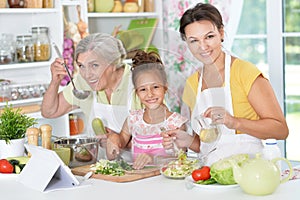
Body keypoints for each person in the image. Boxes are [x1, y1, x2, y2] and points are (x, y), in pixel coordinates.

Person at [161, 3, 289, 165]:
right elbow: (206, 145)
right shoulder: (192, 83)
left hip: (251, 171)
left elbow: (281, 130)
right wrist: (186, 140)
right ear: (186, 42)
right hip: (210, 174)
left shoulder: (245, 72)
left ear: (221, 33)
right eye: (194, 40)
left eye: (209, 37)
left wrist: (234, 122)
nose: (203, 47)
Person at [41, 33, 143, 136]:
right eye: (81, 66)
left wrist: (119, 141)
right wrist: (55, 82)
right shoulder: (82, 83)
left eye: (94, 65)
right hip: (99, 152)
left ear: (113, 63)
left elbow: (157, 137)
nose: (87, 75)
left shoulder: (142, 83)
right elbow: (49, 112)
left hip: (141, 152)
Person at [106, 50, 188, 169]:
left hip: (168, 184)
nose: (150, 94)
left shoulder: (176, 123)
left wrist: (153, 158)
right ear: (137, 92)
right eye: (143, 89)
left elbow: (181, 157)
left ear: (165, 87)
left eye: (155, 87)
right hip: (139, 182)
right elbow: (120, 143)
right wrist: (113, 138)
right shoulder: (133, 119)